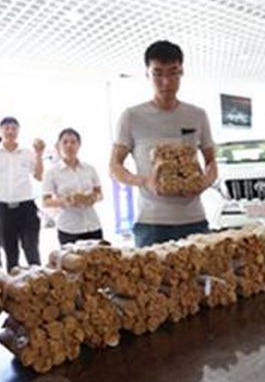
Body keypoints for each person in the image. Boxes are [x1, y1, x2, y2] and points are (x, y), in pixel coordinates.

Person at [109, 40, 218, 247]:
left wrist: (204, 182)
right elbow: (114, 167)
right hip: (151, 223)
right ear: (147, 74)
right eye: (158, 73)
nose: (166, 82)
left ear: (181, 72)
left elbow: (212, 162)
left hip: (193, 219)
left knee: (200, 278)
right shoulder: (132, 116)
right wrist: (144, 181)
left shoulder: (197, 115)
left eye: (173, 72)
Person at [0, 117, 45, 270]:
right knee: (10, 252)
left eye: (13, 128)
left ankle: (38, 285)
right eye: (6, 128)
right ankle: (13, 287)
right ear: (0, 130)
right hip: (2, 206)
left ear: (18, 131)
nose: (10, 131)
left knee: (32, 249)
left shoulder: (27, 152)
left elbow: (38, 176)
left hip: (26, 205)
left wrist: (39, 155)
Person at [42, 128, 104, 245]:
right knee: (72, 261)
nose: (69, 145)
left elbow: (100, 194)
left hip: (92, 225)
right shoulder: (52, 172)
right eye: (65, 142)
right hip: (69, 227)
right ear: (58, 146)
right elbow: (45, 202)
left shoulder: (89, 168)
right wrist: (65, 200)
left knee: (98, 260)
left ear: (79, 145)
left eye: (73, 142)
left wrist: (92, 198)